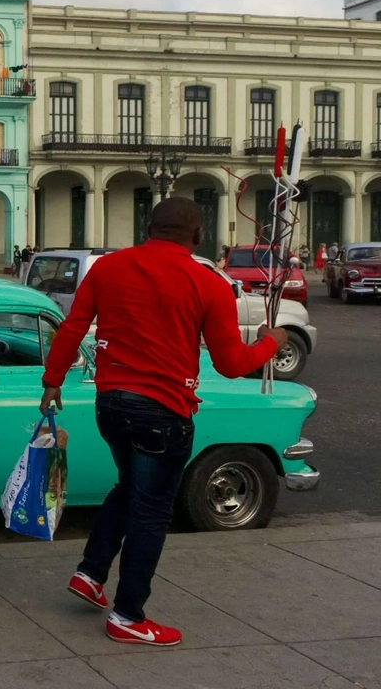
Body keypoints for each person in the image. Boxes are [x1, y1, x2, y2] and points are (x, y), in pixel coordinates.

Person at [40, 198, 286, 647]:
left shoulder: (109, 268)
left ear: (149, 229)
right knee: (152, 509)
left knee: (128, 484)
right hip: (164, 409)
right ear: (197, 236)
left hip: (110, 402)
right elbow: (232, 363)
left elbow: (73, 328)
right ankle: (128, 616)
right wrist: (271, 343)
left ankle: (91, 572)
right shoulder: (207, 282)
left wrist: (52, 381)